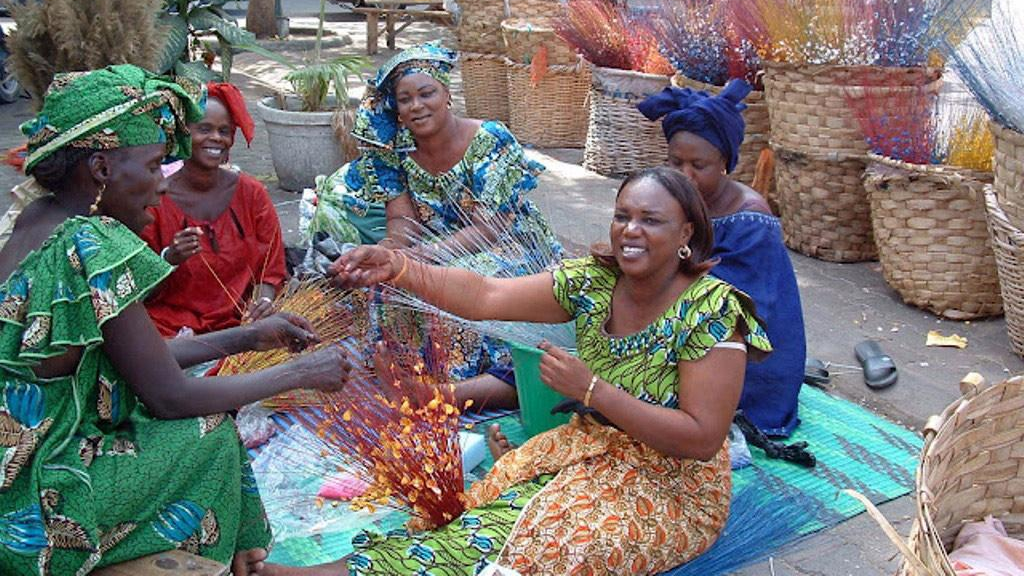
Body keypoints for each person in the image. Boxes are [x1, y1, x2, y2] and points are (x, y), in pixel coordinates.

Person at [329, 166, 772, 575]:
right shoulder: (595, 282)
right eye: (622, 216)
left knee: (541, 549)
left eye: (651, 220)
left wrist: (593, 391)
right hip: (587, 447)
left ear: (686, 232)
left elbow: (702, 439)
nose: (630, 230)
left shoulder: (712, 310)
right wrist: (401, 267)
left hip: (673, 487)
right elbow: (486, 295)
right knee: (458, 515)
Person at [0, 65, 352, 576]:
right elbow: (170, 396)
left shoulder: (39, 220)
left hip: (12, 466)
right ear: (101, 168)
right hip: (36, 499)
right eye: (153, 166)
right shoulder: (91, 245)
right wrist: (301, 373)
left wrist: (249, 337)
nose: (161, 186)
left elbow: (140, 358)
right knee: (209, 434)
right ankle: (230, 564)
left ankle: (244, 561)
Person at [341, 43, 562, 408]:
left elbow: (491, 228)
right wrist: (388, 251)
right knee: (385, 282)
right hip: (436, 248)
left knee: (458, 281)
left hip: (507, 245)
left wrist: (421, 257)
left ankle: (460, 386)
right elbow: (402, 222)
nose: (416, 106)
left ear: (447, 95)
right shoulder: (394, 151)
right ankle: (408, 372)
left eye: (426, 93)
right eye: (405, 99)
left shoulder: (488, 140)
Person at [638, 79, 805, 437]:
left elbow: (733, 314)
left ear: (724, 164)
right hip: (685, 333)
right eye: (675, 162)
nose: (685, 175)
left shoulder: (751, 223)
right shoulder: (675, 202)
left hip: (745, 361)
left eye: (698, 165)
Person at [141, 82, 287, 337]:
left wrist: (263, 304)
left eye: (224, 131)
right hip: (171, 331)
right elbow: (136, 289)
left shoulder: (252, 194)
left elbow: (271, 271)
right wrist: (169, 258)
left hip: (240, 328)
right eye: (204, 129)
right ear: (183, 135)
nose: (217, 138)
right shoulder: (155, 201)